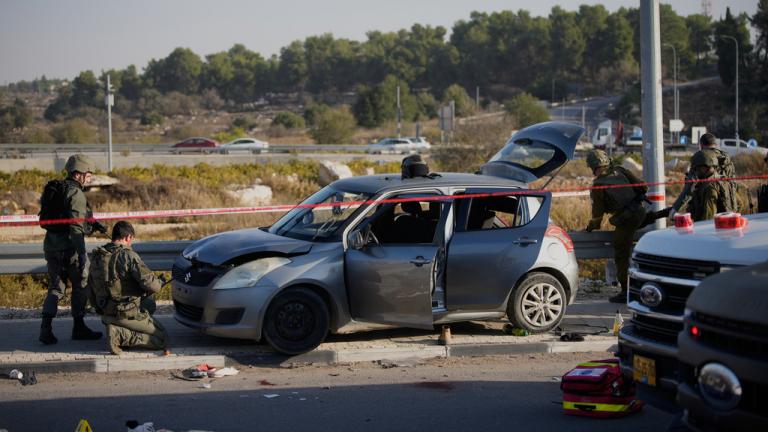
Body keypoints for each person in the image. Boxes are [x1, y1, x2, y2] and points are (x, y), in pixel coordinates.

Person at [584, 150, 670, 303]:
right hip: (639, 211)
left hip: (626, 219)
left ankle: (625, 291)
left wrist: (590, 227)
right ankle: (661, 214)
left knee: (621, 252)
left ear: (592, 167)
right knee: (638, 221)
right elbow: (642, 186)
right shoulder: (620, 170)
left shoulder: (598, 185)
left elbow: (597, 216)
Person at [38, 154, 106, 344]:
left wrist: (94, 224)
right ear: (78, 175)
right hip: (71, 249)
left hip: (51, 247)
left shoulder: (55, 188)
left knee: (55, 289)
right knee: (81, 286)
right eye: (88, 173)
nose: (90, 177)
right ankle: (79, 327)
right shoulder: (76, 193)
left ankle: (45, 329)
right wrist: (82, 253)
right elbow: (76, 227)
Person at [88, 221, 169, 355]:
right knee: (161, 338)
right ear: (127, 237)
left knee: (148, 304)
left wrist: (99, 309)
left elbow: (89, 286)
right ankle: (119, 335)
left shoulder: (97, 255)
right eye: (131, 239)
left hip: (105, 312)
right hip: (124, 313)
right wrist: (159, 282)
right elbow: (153, 286)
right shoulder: (128, 256)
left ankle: (118, 328)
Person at [672, 133, 737, 216]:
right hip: (728, 205)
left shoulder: (700, 158)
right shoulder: (726, 158)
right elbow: (733, 185)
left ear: (701, 145)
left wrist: (675, 208)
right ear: (715, 145)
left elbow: (689, 188)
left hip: (706, 206)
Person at [687, 150, 730, 222]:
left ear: (705, 168)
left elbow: (708, 221)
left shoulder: (710, 187)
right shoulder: (707, 183)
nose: (695, 171)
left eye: (697, 168)